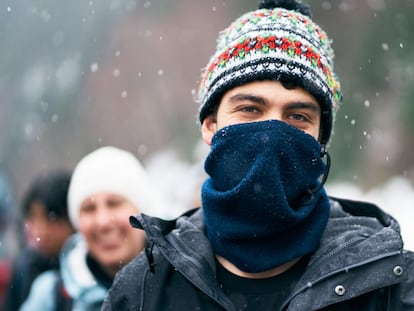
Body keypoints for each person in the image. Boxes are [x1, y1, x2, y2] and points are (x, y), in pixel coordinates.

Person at [103, 1, 414, 310]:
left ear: (321, 139)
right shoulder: (144, 289)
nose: (271, 133)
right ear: (210, 126)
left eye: (297, 116)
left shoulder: (389, 286)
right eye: (250, 109)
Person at [20, 146, 161, 310]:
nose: (102, 222)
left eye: (114, 203)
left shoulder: (182, 278)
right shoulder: (51, 297)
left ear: (142, 211)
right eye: (89, 208)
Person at [2, 169, 74, 311]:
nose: (41, 231)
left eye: (52, 218)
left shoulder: (89, 269)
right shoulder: (26, 268)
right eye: (33, 218)